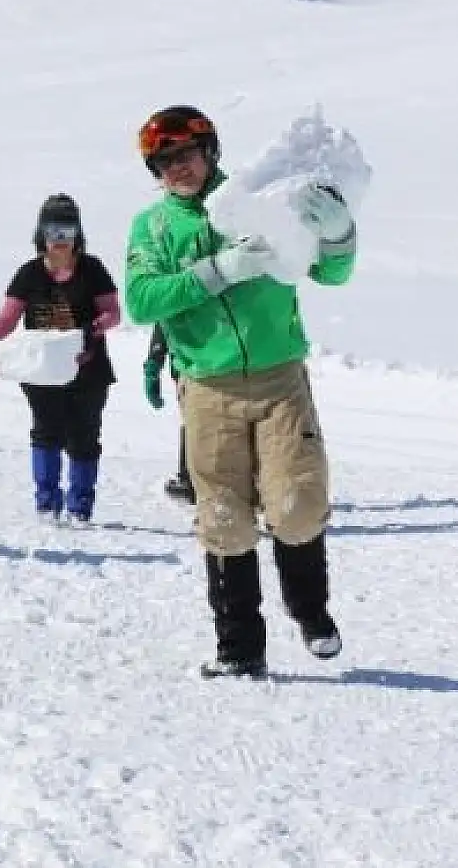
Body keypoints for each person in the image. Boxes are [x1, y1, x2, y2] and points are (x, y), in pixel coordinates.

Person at [124, 104, 355, 678]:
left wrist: (338, 235)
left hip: (280, 378)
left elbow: (329, 272)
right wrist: (217, 270)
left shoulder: (262, 199)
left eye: (187, 154)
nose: (177, 168)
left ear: (210, 151)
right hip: (208, 386)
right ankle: (239, 647)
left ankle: (309, 610)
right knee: (224, 519)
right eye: (165, 161)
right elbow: (143, 299)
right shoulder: (152, 228)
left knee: (297, 504)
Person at [0, 194, 120, 522]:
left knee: (84, 435)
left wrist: (91, 331)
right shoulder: (29, 274)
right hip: (41, 370)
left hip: (88, 369)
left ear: (78, 233)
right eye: (53, 231)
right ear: (41, 233)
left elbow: (113, 312)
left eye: (67, 231)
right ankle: (46, 503)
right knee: (45, 431)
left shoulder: (92, 269)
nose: (59, 240)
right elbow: (8, 318)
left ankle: (80, 507)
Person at [143, 323, 195, 503]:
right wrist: (152, 367)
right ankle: (189, 477)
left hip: (195, 369)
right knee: (195, 423)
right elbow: (164, 322)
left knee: (197, 424)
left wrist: (153, 366)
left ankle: (190, 478)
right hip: (190, 370)